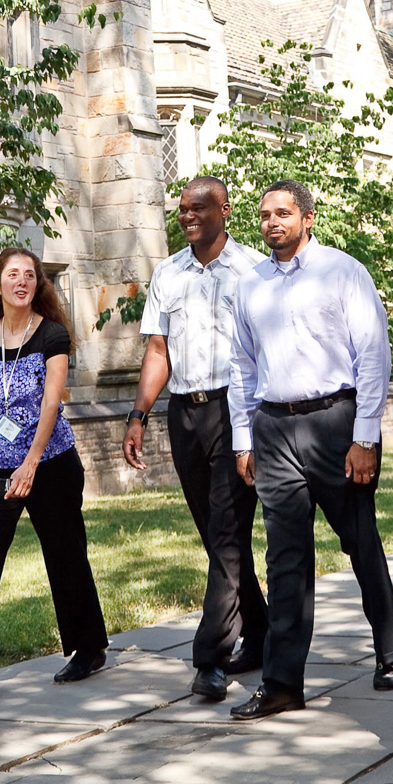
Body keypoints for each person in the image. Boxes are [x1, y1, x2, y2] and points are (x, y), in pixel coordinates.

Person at [227, 180, 393, 721]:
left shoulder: (343, 271)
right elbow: (241, 366)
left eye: (283, 213)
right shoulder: (249, 284)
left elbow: (373, 355)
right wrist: (243, 438)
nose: (272, 222)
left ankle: (389, 649)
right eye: (264, 215)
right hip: (274, 429)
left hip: (336, 423)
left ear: (307, 217)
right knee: (284, 559)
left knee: (359, 540)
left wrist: (365, 436)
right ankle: (282, 683)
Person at [0, 247, 108, 711]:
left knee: (66, 555)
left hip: (49, 462)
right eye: (13, 274)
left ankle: (88, 649)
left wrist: (30, 463)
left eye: (30, 275)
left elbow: (51, 403)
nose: (22, 281)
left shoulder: (52, 335)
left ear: (38, 285)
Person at [123, 176, 268, 702]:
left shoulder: (254, 269)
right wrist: (138, 414)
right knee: (216, 536)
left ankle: (210, 657)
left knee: (228, 534)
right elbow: (158, 351)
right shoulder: (167, 273)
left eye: (199, 208)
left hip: (237, 412)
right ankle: (263, 631)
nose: (187, 216)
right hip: (185, 414)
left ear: (224, 210)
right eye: (182, 209)